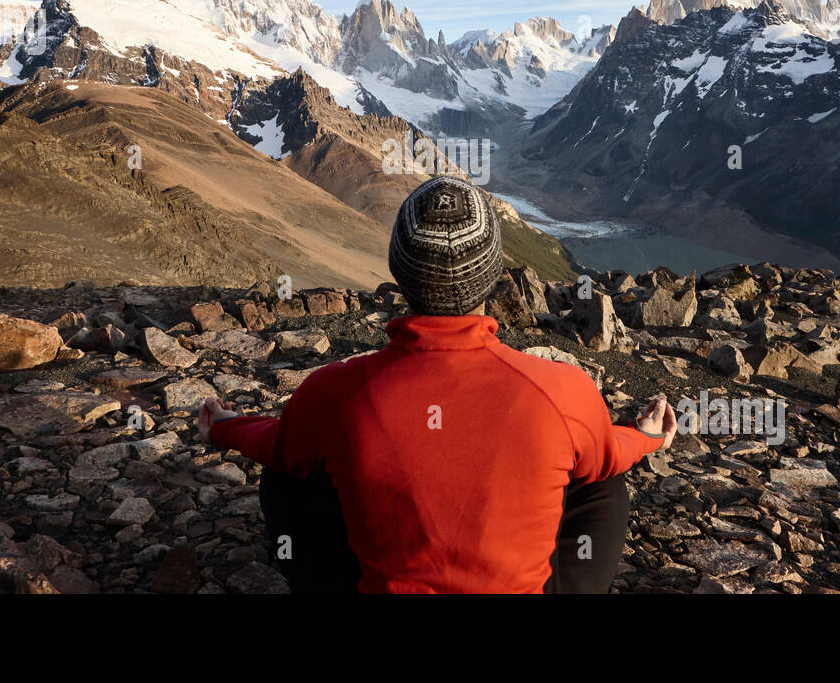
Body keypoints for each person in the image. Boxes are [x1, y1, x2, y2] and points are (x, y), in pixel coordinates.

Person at [198, 174, 677, 593]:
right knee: (601, 484)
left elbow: (281, 446)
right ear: (493, 275)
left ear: (399, 272)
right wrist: (646, 436)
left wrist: (225, 426)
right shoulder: (561, 390)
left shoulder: (333, 391)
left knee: (287, 473)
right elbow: (607, 453)